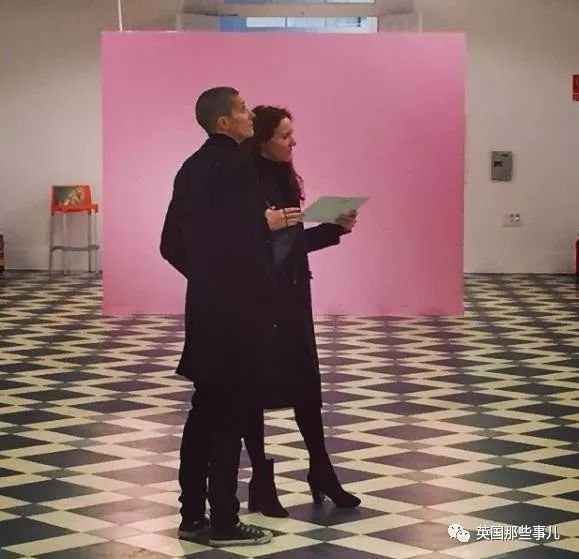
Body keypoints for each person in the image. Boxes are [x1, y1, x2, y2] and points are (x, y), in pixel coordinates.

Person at [160, 87, 276, 546]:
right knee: (229, 417)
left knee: (204, 413)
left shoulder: (189, 169)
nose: (251, 115)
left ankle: (192, 517)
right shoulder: (238, 168)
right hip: (238, 314)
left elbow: (169, 244)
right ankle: (225, 520)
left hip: (206, 308)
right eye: (243, 109)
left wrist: (206, 278)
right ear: (224, 122)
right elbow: (247, 245)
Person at [242, 105, 361, 518]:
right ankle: (261, 479)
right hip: (258, 298)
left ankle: (321, 469)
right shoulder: (244, 181)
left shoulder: (285, 178)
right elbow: (245, 245)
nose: (293, 142)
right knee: (255, 387)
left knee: (307, 384)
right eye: (284, 135)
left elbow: (291, 245)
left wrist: (334, 228)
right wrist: (265, 227)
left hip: (293, 294)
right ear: (262, 140)